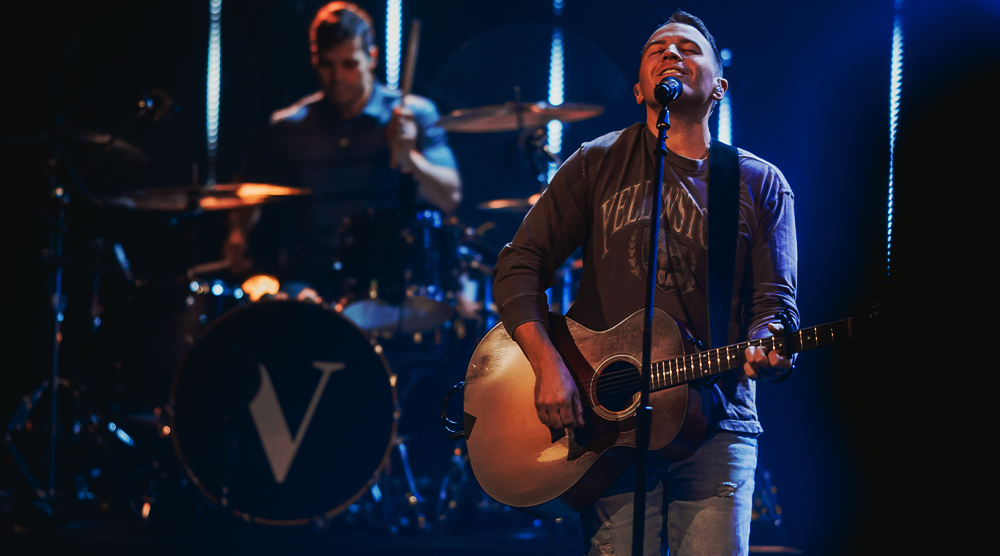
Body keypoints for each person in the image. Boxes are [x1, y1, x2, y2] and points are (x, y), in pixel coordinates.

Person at [491, 11, 798, 556]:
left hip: (717, 422)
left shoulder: (758, 183)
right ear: (639, 89)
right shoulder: (596, 162)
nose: (671, 53)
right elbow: (520, 264)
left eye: (689, 47)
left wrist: (770, 339)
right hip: (608, 427)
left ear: (719, 87)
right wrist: (548, 367)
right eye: (657, 48)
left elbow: (774, 303)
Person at [225, 1, 461, 298]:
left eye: (349, 64)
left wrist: (410, 157)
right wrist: (238, 233)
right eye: (327, 64)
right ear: (314, 60)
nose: (337, 77)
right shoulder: (288, 127)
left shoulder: (414, 114)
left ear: (371, 58)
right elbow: (248, 189)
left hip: (390, 283)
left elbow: (450, 197)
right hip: (312, 282)